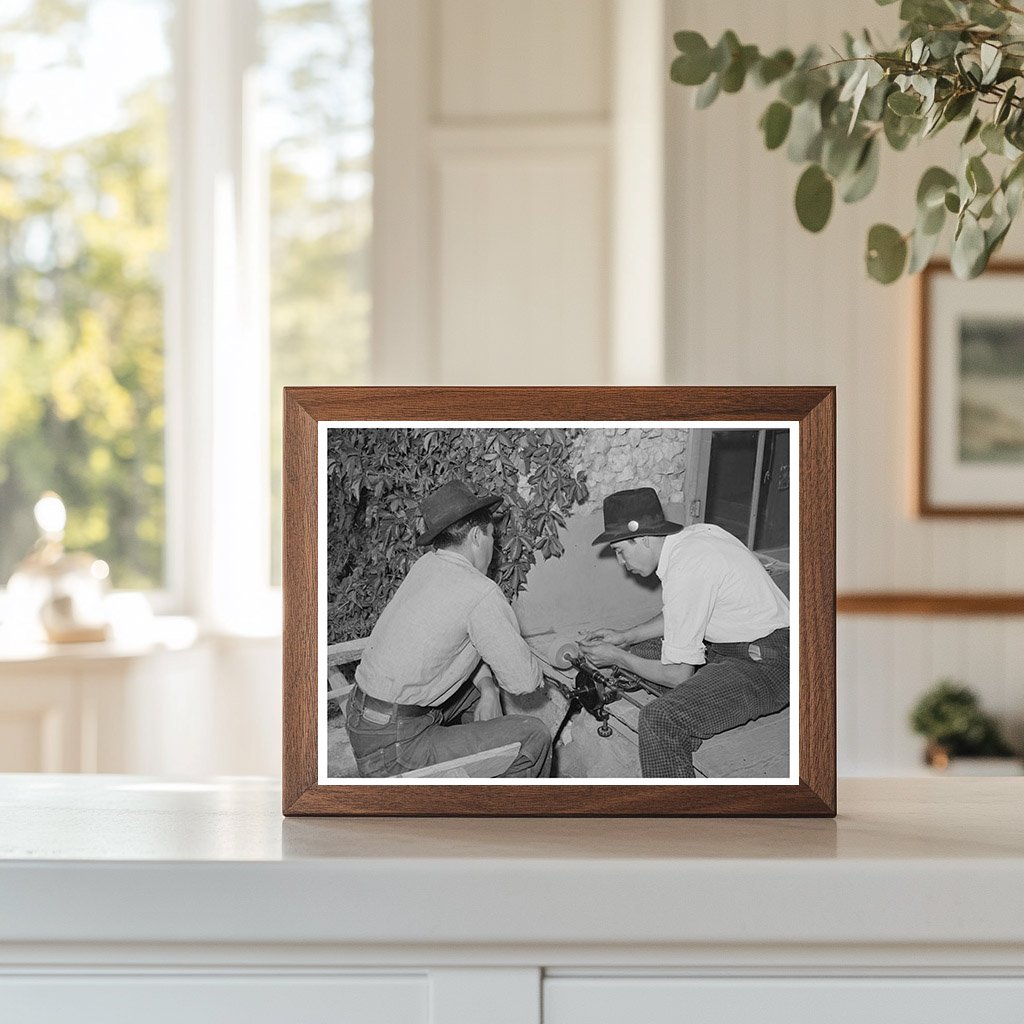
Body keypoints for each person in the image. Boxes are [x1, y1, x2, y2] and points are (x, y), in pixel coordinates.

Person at [345, 479, 553, 778]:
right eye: (492, 536)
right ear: (477, 536)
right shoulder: (480, 591)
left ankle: (478, 770)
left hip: (365, 718)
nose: (494, 547)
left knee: (475, 695)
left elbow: (457, 647)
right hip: (395, 746)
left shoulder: (427, 566)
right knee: (533, 734)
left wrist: (488, 688)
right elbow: (524, 682)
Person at [579, 487, 790, 778]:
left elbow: (678, 674)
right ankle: (694, 713)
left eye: (620, 551)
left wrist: (617, 657)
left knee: (658, 719)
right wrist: (625, 638)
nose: (621, 563)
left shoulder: (687, 566)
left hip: (769, 663)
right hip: (735, 644)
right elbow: (680, 612)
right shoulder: (693, 538)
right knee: (641, 652)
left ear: (643, 538)